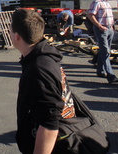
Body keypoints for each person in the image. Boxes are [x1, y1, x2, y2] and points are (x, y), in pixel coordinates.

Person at [10, 9, 75, 154]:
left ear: (17, 36)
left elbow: (49, 123)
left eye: (10, 30)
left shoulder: (39, 68)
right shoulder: (39, 57)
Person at [87, 0, 118, 83]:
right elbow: (90, 14)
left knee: (105, 50)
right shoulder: (97, 2)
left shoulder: (106, 3)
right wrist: (99, 25)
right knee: (105, 51)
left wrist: (112, 27)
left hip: (109, 29)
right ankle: (111, 75)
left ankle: (100, 70)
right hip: (101, 29)